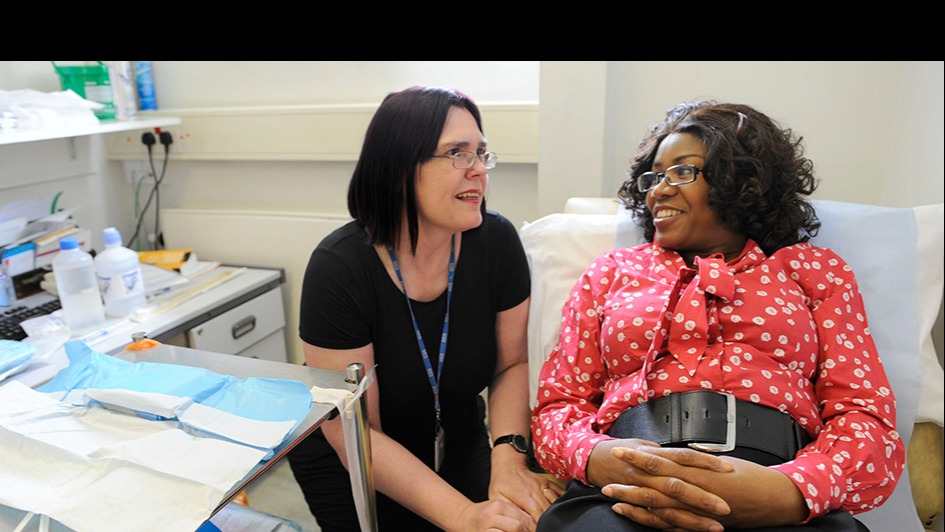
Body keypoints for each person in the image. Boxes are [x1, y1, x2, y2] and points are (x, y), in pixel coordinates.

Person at [530, 101, 905, 531]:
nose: (659, 190)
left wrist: (793, 491)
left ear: (741, 183)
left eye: (683, 172)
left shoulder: (813, 271)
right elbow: (558, 405)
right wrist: (599, 460)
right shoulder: (611, 272)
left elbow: (865, 414)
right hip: (623, 494)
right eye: (654, 177)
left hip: (776, 487)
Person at [287, 85, 560, 532]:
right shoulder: (339, 267)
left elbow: (512, 362)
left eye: (481, 154)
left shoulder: (496, 242)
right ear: (398, 167)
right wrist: (462, 515)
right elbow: (353, 431)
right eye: (457, 153)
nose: (478, 171)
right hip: (356, 453)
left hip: (457, 435)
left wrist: (509, 455)